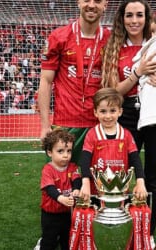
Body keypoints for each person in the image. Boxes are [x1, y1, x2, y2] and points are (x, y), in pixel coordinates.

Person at [100, 2, 156, 248]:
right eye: (129, 15)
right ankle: (119, 220)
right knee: (119, 173)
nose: (134, 20)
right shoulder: (113, 48)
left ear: (146, 18)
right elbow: (111, 93)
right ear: (122, 18)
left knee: (153, 179)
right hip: (126, 114)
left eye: (139, 15)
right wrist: (136, 73)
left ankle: (147, 232)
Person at [38, 0, 110, 164]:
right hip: (65, 123)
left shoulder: (110, 39)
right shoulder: (59, 36)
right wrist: (44, 125)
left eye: (98, 1)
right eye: (86, 0)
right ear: (78, 2)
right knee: (62, 183)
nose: (91, 5)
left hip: (98, 121)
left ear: (105, 4)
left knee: (96, 183)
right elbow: (46, 80)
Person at [79, 87, 148, 202]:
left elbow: (135, 159)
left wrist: (140, 182)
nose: (108, 116)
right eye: (103, 111)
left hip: (120, 191)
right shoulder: (92, 134)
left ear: (120, 111)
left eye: (112, 111)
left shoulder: (126, 135)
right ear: (95, 112)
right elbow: (85, 160)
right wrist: (85, 183)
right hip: (95, 191)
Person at [38, 129, 81, 250]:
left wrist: (77, 189)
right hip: (50, 215)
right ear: (49, 152)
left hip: (67, 214)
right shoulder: (48, 169)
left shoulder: (72, 167)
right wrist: (60, 198)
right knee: (49, 240)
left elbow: (77, 179)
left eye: (69, 151)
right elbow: (49, 188)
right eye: (60, 151)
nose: (66, 155)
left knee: (67, 240)